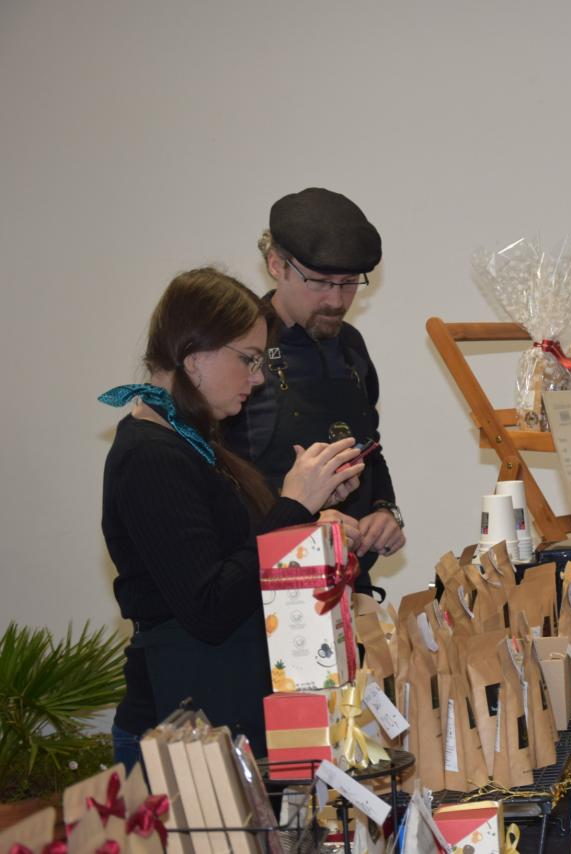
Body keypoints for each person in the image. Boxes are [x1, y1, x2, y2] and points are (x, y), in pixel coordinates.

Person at [100, 268, 365, 766]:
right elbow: (210, 607)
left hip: (220, 715)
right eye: (248, 359)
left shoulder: (192, 443)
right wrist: (293, 506)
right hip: (181, 736)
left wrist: (309, 522)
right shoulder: (149, 456)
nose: (258, 378)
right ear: (194, 356)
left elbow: (240, 555)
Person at [223, 187, 405, 594]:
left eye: (349, 283)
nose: (336, 300)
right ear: (276, 264)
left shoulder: (351, 347)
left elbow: (370, 450)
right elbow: (217, 483)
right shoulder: (238, 350)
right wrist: (301, 523)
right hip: (263, 594)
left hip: (348, 584)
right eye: (320, 282)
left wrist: (384, 510)